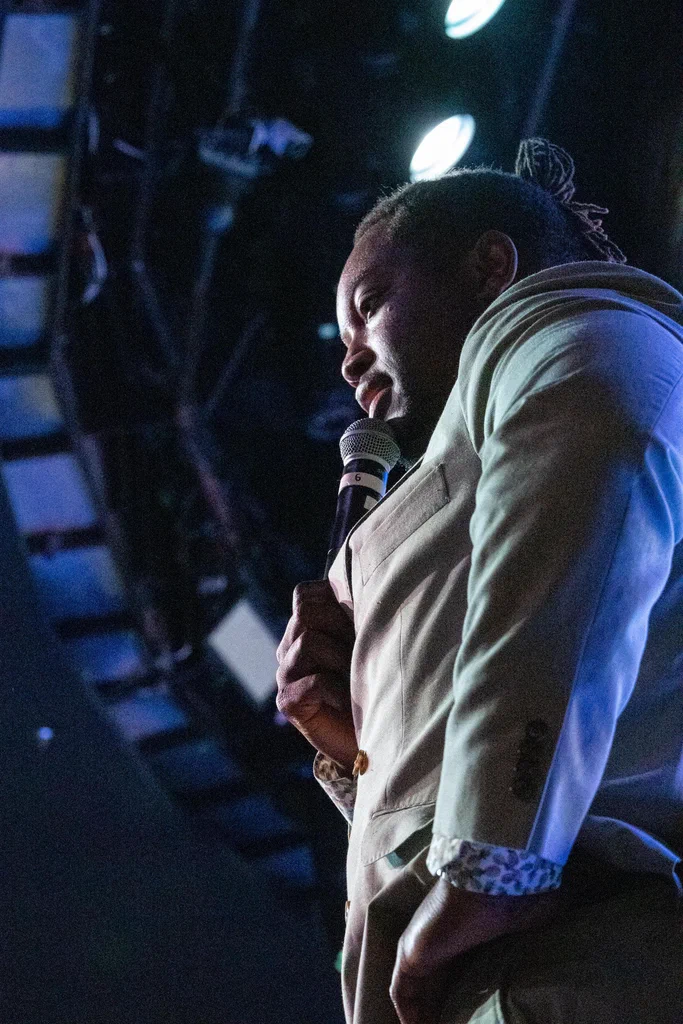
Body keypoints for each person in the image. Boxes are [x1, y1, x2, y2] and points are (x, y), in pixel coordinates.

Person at [276, 139, 683, 1024]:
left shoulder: (568, 327)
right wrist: (354, 745)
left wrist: (493, 865)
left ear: (491, 268)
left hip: (573, 962)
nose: (349, 360)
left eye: (369, 304)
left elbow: (612, 420)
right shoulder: (489, 440)